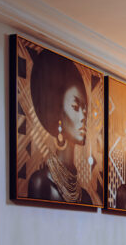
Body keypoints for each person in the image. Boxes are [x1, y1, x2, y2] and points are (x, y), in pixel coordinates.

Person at [27, 49, 93, 204]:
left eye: (85, 110)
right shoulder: (40, 183)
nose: (83, 117)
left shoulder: (86, 197)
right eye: (75, 107)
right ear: (58, 114)